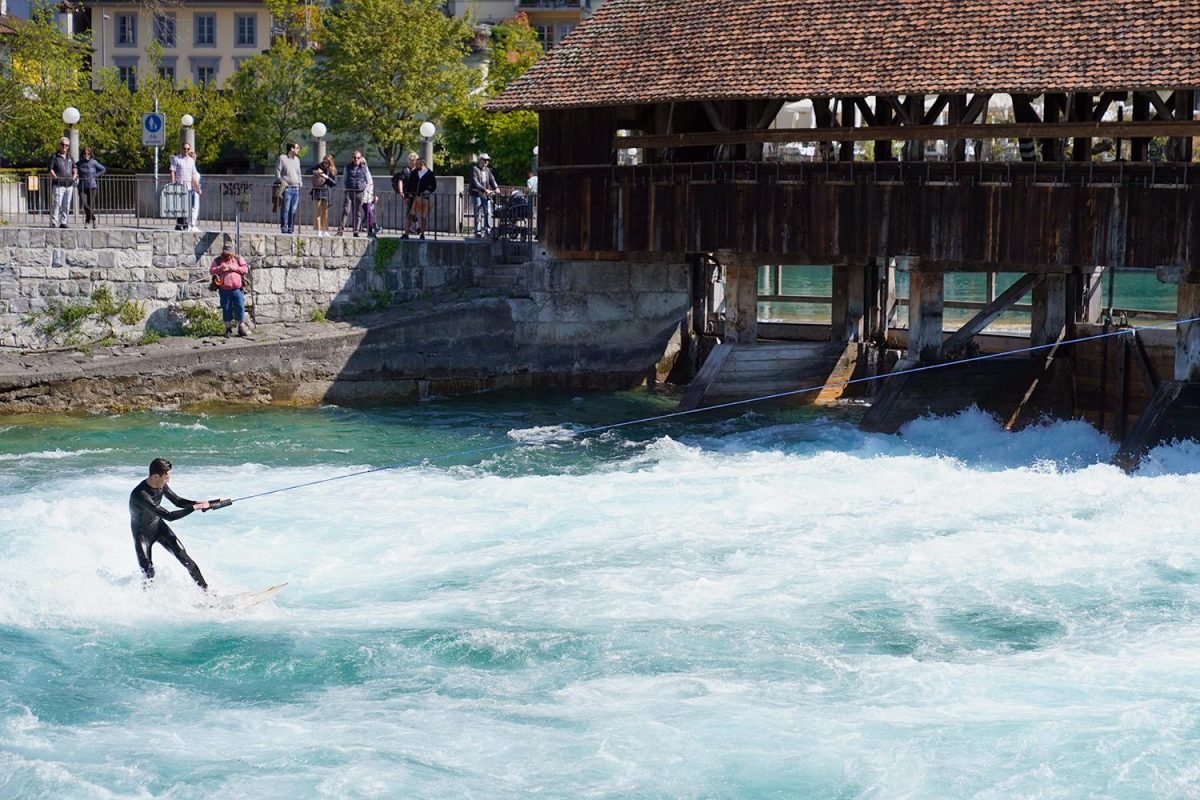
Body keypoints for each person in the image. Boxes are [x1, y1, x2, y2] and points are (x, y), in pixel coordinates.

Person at [129, 457, 227, 590]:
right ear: (156, 476)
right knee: (148, 572)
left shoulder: (161, 484)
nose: (168, 480)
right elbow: (168, 516)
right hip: (142, 534)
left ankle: (207, 593)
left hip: (158, 527)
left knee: (186, 559)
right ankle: (148, 602)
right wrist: (194, 508)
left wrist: (203, 503)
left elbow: (178, 501)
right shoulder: (140, 495)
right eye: (166, 477)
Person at [209, 241, 250, 337]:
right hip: (224, 289)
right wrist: (220, 268)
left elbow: (245, 269)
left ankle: (241, 328)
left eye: (229, 252)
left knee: (240, 307)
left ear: (232, 252)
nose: (227, 254)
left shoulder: (238, 258)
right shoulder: (218, 260)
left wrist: (233, 268)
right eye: (226, 252)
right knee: (226, 308)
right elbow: (211, 271)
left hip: (237, 289)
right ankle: (228, 329)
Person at [337, 150, 371, 237]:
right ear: (352, 158)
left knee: (357, 212)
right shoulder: (347, 167)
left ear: (361, 158)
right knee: (346, 210)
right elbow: (344, 179)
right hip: (349, 191)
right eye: (355, 157)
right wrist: (345, 189)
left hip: (360, 192)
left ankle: (356, 231)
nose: (356, 159)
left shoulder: (364, 168)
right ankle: (340, 230)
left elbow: (368, 181)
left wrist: (365, 190)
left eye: (358, 158)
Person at [402, 158, 436, 240]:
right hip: (413, 196)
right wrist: (406, 196)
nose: (415, 165)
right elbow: (409, 185)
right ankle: (406, 233)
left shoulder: (429, 173)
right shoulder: (414, 172)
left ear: (422, 164)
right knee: (409, 215)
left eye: (417, 163)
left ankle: (422, 234)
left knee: (423, 216)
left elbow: (433, 185)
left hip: (423, 196)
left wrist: (429, 190)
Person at [169, 142, 200, 232]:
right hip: (180, 184)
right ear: (181, 149)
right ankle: (179, 224)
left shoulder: (191, 161)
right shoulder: (177, 159)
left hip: (189, 186)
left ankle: (186, 223)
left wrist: (197, 187)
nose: (186, 150)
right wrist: (173, 183)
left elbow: (193, 175)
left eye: (188, 149)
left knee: (188, 206)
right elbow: (172, 172)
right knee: (180, 206)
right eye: (184, 148)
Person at [48, 137, 77, 229]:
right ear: (59, 145)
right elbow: (50, 169)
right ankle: (54, 221)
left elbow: (74, 167)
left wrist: (74, 176)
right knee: (57, 203)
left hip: (69, 184)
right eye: (63, 145)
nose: (65, 147)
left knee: (67, 204)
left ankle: (63, 222)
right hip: (58, 184)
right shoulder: (54, 156)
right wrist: (55, 177)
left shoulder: (70, 157)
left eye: (67, 145)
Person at [275, 141, 303, 234]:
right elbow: (277, 170)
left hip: (296, 188)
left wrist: (300, 182)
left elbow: (298, 173)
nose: (298, 149)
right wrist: (280, 181)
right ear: (292, 148)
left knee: (293, 209)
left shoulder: (297, 160)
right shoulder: (282, 158)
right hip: (287, 188)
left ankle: (291, 229)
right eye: (297, 147)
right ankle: (284, 228)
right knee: (286, 209)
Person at [76, 147, 107, 229]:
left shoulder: (94, 162)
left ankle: (87, 221)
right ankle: (93, 219)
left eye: (88, 154)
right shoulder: (79, 163)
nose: (86, 155)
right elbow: (74, 170)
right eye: (85, 154)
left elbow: (103, 169)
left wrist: (96, 176)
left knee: (90, 205)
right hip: (82, 186)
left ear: (90, 154)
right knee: (85, 205)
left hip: (92, 186)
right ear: (82, 154)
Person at [469, 153, 499, 238]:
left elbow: (492, 179)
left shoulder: (487, 170)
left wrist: (496, 187)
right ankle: (477, 231)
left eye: (487, 160)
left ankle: (487, 230)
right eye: (485, 160)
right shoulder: (474, 169)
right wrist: (485, 190)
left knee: (488, 212)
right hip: (476, 193)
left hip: (485, 194)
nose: (487, 162)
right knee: (478, 212)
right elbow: (475, 182)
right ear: (480, 160)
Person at [311, 155, 337, 238]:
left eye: (327, 162)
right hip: (318, 190)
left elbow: (334, 183)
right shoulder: (319, 166)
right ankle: (318, 230)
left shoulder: (332, 170)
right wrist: (315, 171)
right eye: (324, 162)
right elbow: (309, 170)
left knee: (325, 212)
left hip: (327, 192)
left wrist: (326, 177)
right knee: (317, 212)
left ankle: (325, 230)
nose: (324, 164)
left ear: (330, 162)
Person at [392, 151, 417, 229]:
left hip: (417, 194)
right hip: (408, 194)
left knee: (413, 211)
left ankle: (415, 226)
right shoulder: (406, 170)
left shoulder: (418, 170)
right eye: (413, 161)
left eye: (415, 160)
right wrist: (401, 192)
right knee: (410, 211)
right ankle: (411, 228)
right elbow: (400, 181)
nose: (414, 162)